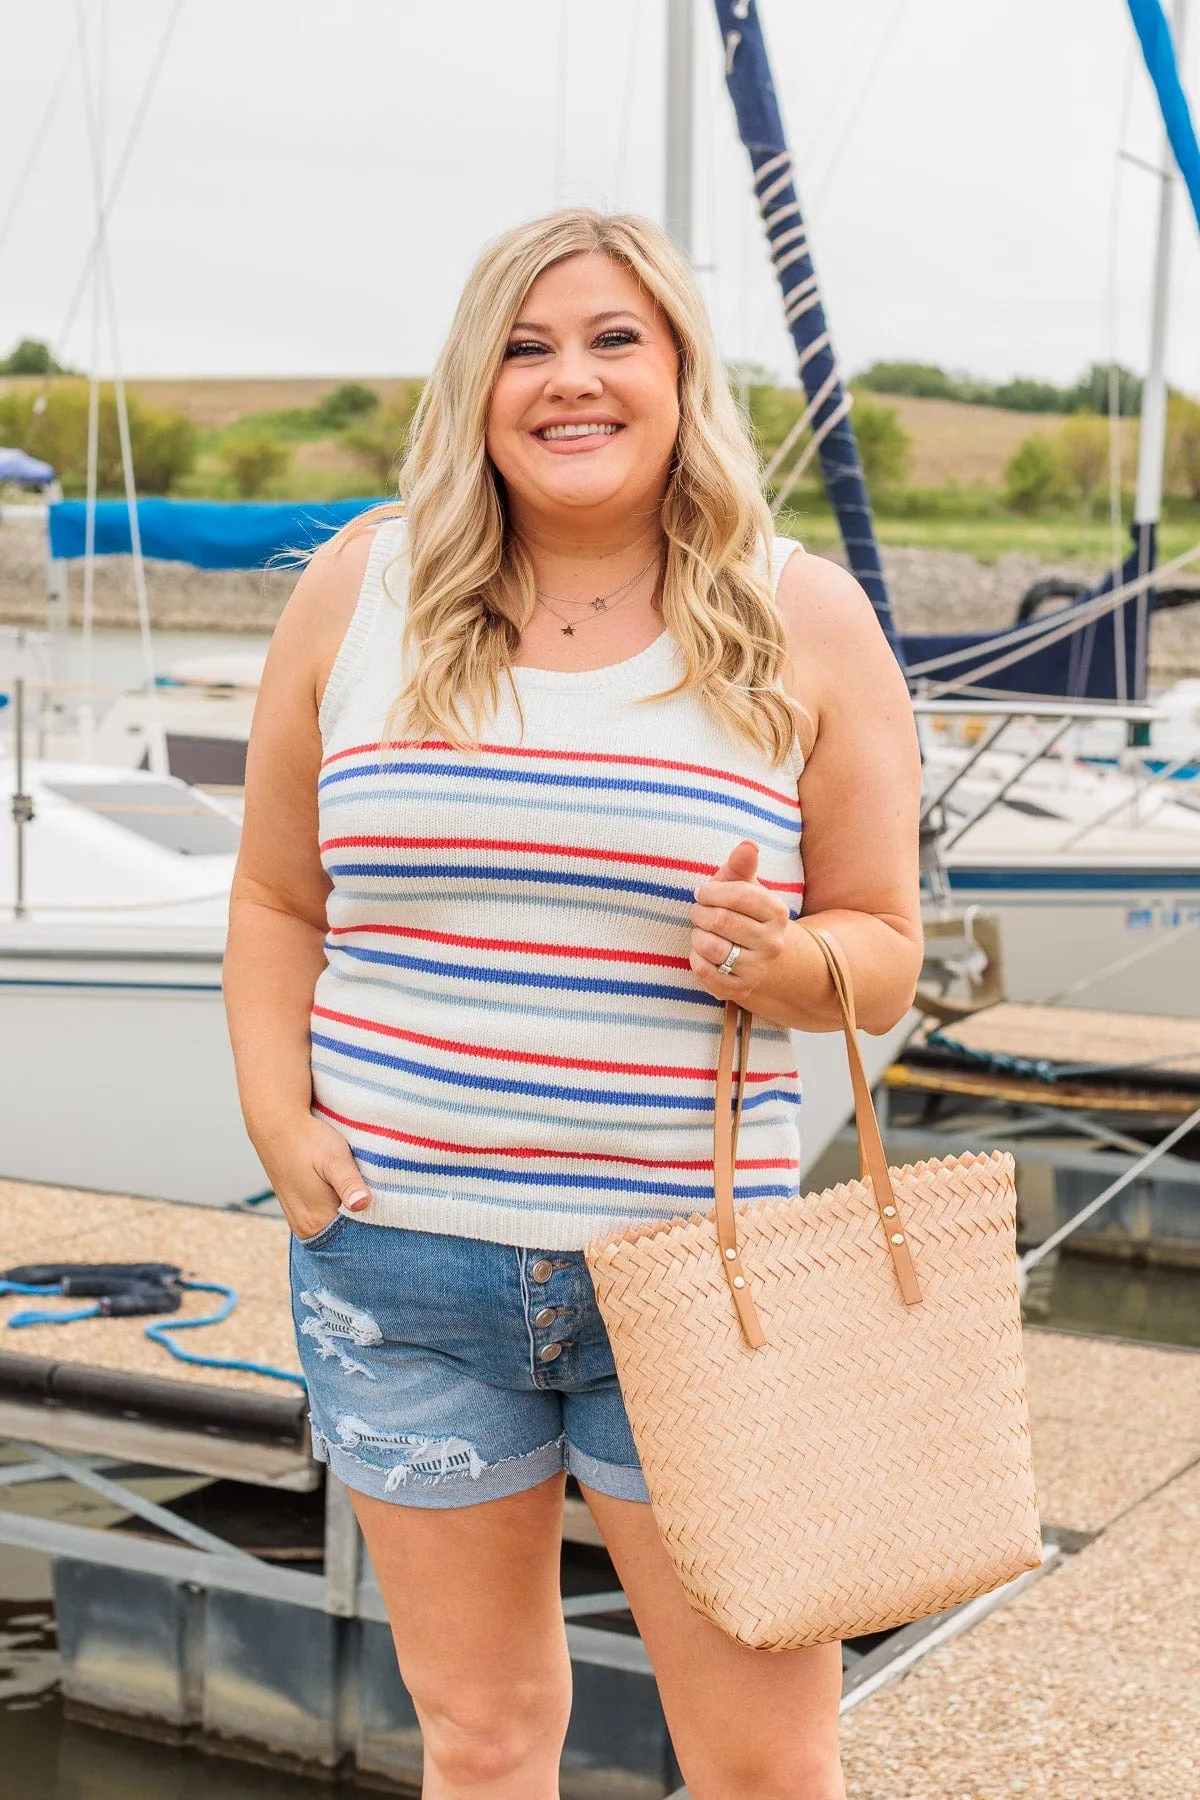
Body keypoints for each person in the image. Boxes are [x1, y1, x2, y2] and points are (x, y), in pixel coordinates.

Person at [224, 207, 922, 1800]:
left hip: (700, 1280)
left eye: (615, 339)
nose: (571, 380)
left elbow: (883, 943)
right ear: (477, 384)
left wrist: (787, 961)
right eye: (528, 347)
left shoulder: (799, 614)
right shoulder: (360, 590)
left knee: (763, 1765)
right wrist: (279, 1122)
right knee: (479, 1737)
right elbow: (275, 901)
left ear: (679, 370)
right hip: (400, 1269)